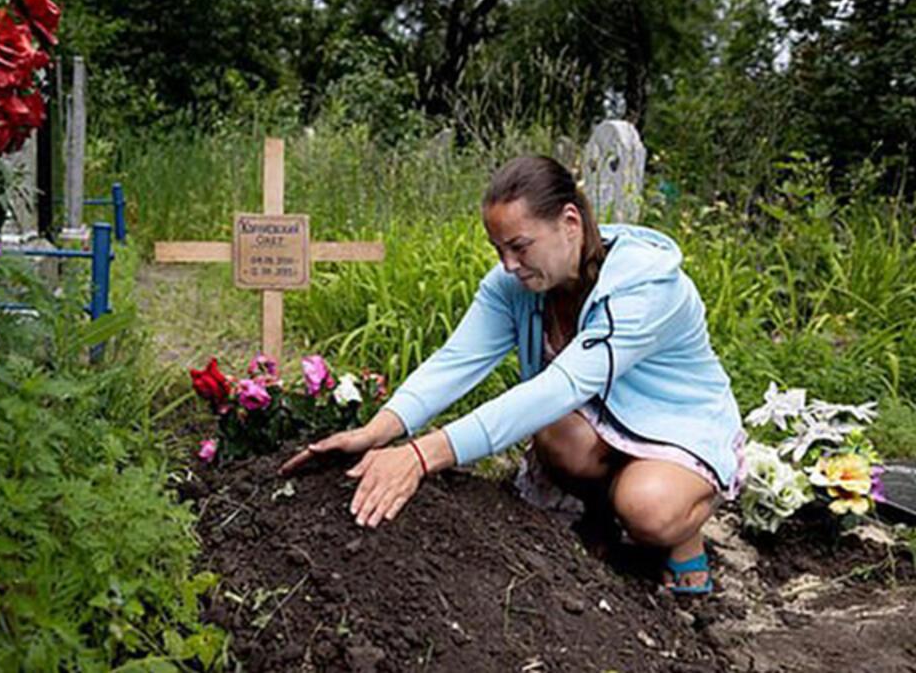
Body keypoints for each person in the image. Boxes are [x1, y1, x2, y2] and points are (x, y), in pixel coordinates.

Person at [281, 155, 745, 594]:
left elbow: (562, 386)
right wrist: (377, 430)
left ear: (569, 223)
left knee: (648, 508)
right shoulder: (515, 286)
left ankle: (684, 538)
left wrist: (423, 456)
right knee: (555, 433)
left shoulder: (645, 285)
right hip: (600, 425)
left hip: (678, 423)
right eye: (498, 249)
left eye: (520, 246)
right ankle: (602, 516)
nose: (507, 264)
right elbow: (456, 359)